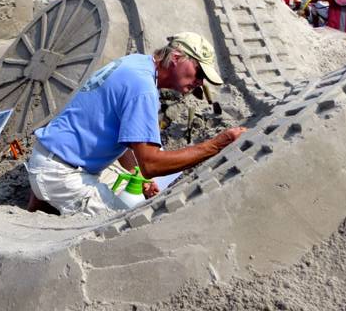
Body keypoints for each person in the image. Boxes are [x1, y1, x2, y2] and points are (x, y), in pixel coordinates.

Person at [25, 32, 246, 216]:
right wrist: (218, 143)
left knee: (127, 186)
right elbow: (152, 165)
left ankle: (42, 204)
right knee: (124, 224)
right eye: (199, 72)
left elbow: (126, 142)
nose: (200, 82)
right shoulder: (142, 87)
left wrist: (137, 174)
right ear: (177, 57)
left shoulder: (137, 63)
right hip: (61, 172)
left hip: (51, 156)